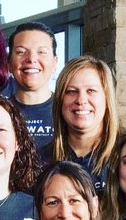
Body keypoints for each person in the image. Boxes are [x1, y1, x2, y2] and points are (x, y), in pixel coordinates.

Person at [40, 55, 120, 196]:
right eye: (72, 91)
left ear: (107, 99)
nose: (81, 100)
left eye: (91, 91)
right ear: (60, 100)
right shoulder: (41, 160)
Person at [7, 23, 58, 146]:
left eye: (41, 52)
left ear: (55, 63)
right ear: (8, 63)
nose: (31, 59)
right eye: (21, 52)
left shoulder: (68, 111)